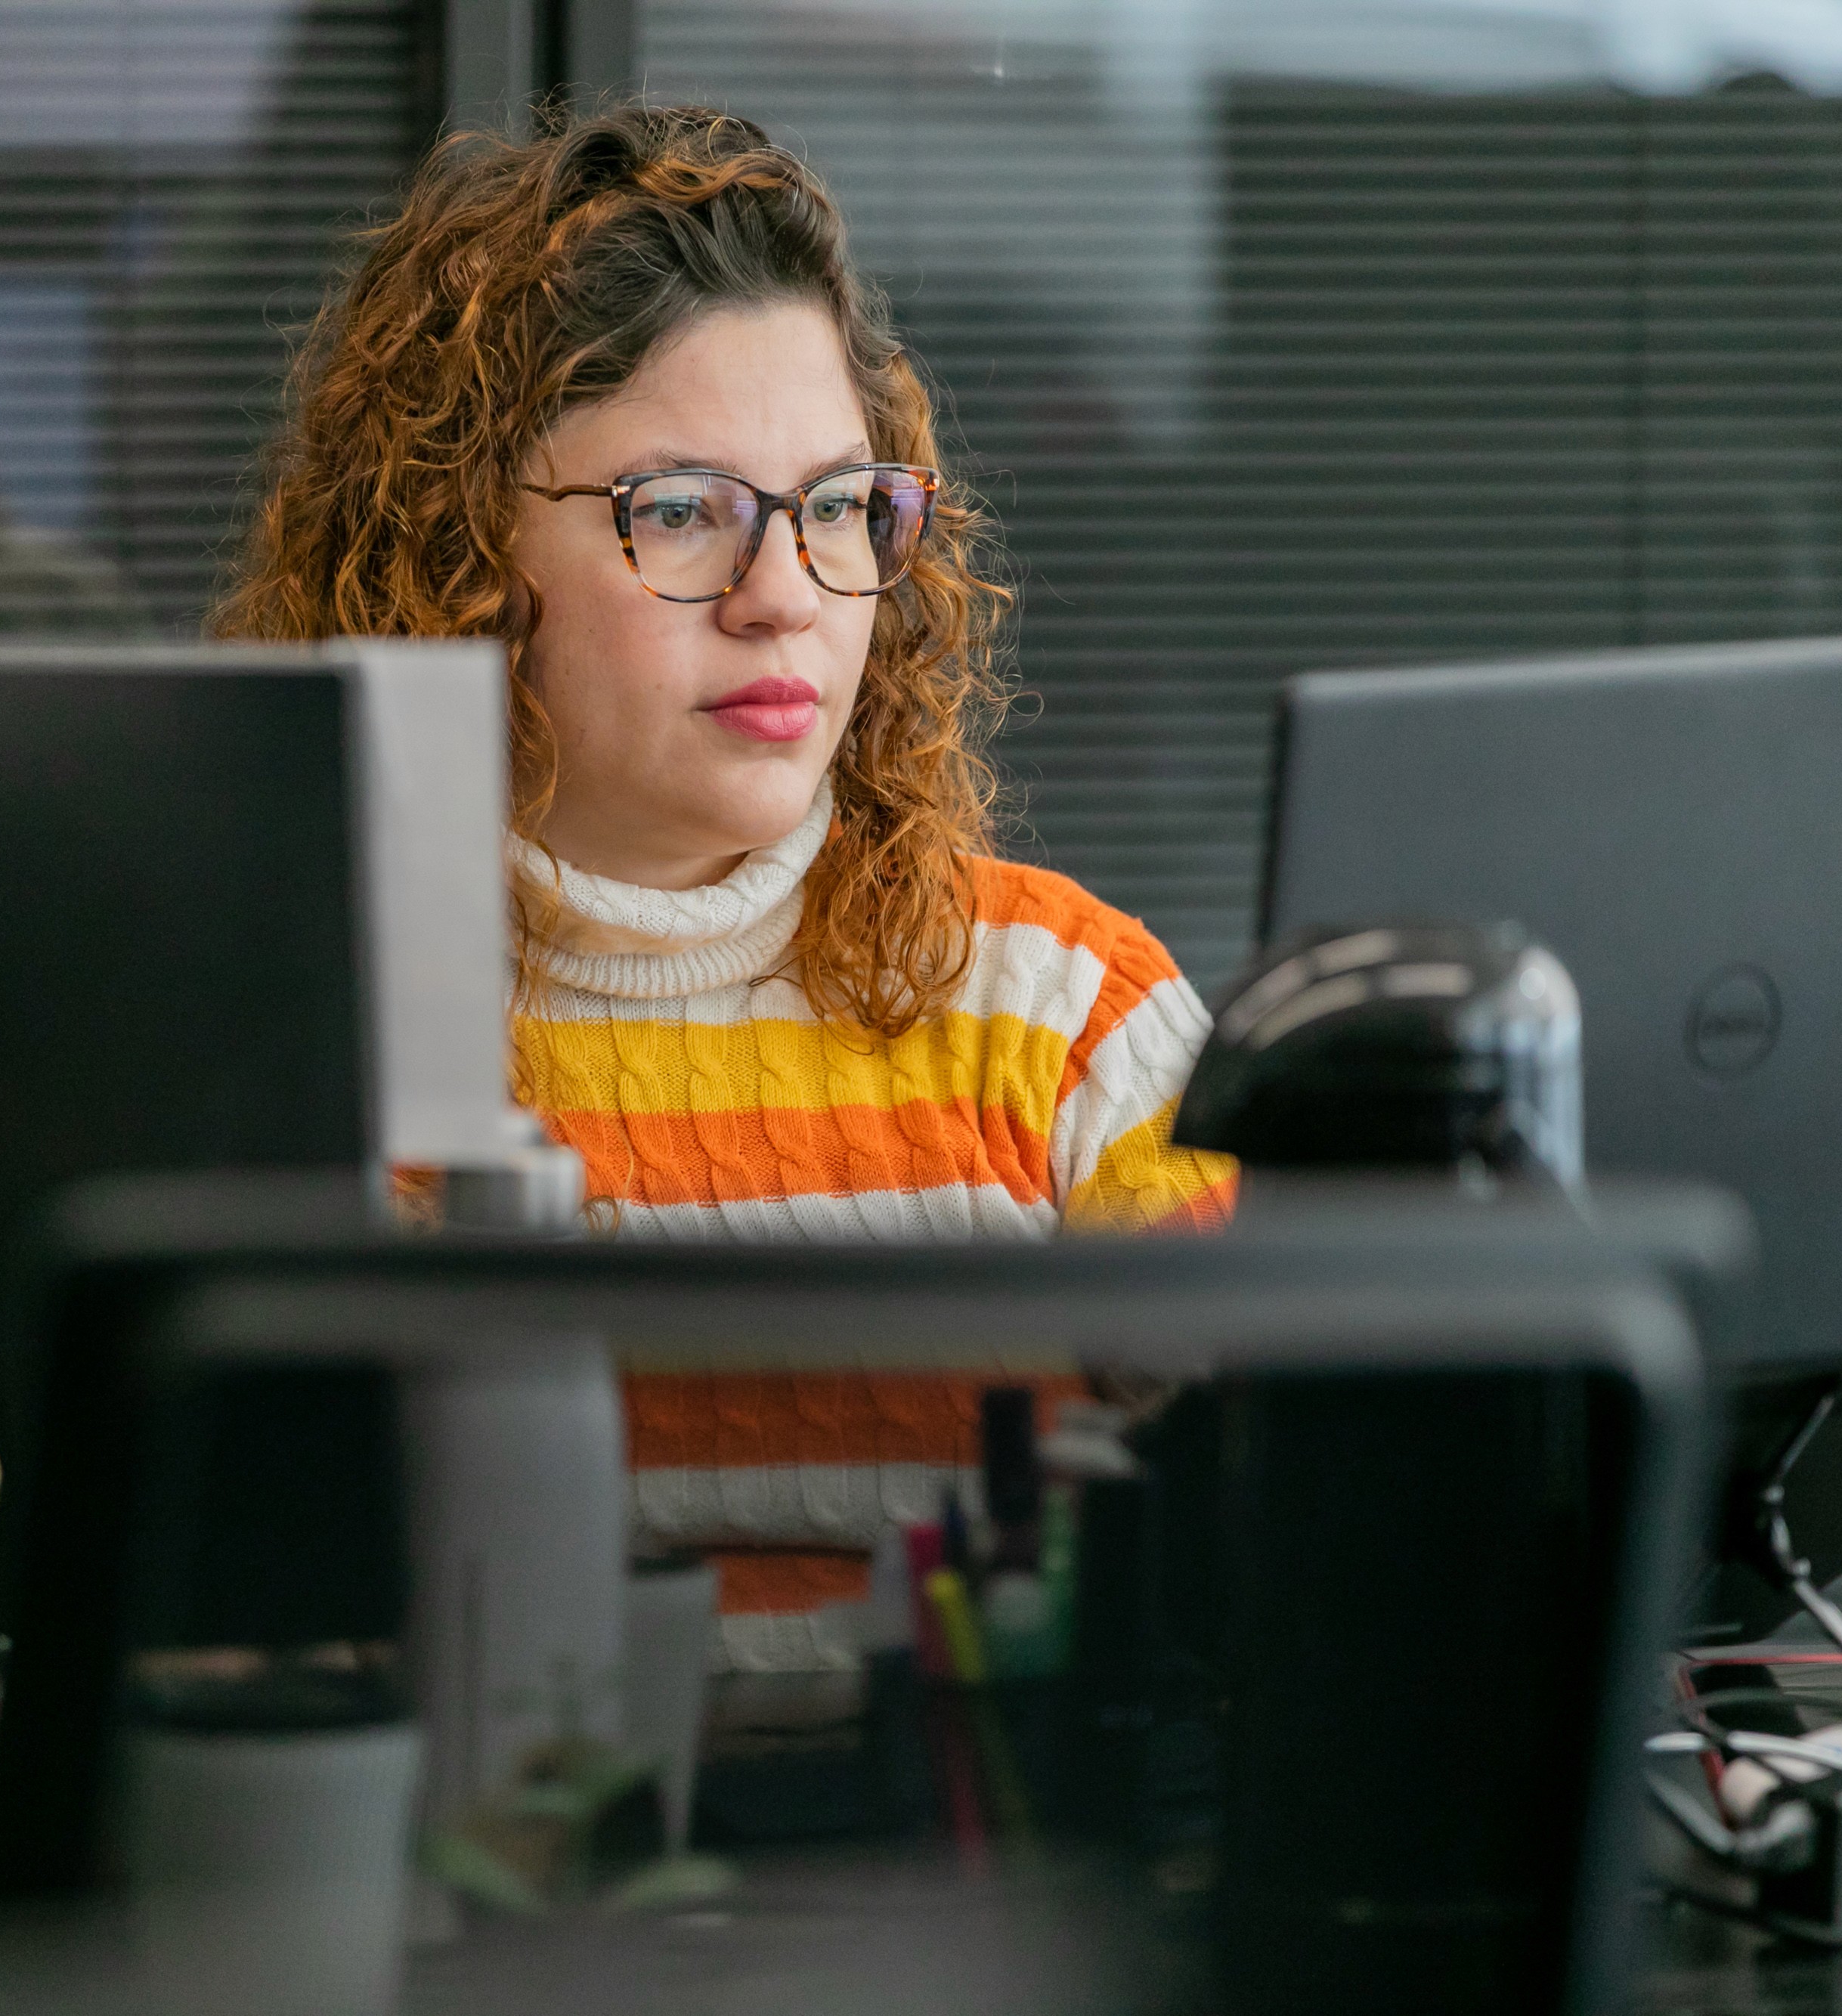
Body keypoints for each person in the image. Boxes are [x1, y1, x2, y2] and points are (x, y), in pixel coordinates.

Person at [215, 104, 1234, 1661]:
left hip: (965, 1820)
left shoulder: (1059, 1006)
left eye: (833, 507)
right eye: (681, 511)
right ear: (458, 552)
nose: (783, 598)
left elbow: (1332, 1474)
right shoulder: (294, 1026)